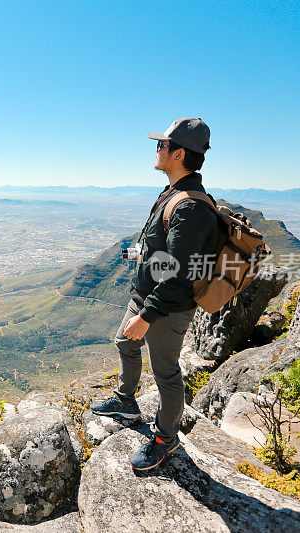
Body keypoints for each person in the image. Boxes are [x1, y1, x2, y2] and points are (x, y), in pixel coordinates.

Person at [90, 117, 218, 470]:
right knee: (124, 342)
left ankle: (166, 438)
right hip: (146, 296)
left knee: (166, 373)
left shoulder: (190, 206)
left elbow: (178, 273)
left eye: (161, 145)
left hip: (167, 307)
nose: (156, 149)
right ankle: (126, 401)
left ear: (178, 153)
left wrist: (148, 316)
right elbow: (166, 251)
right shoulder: (174, 192)